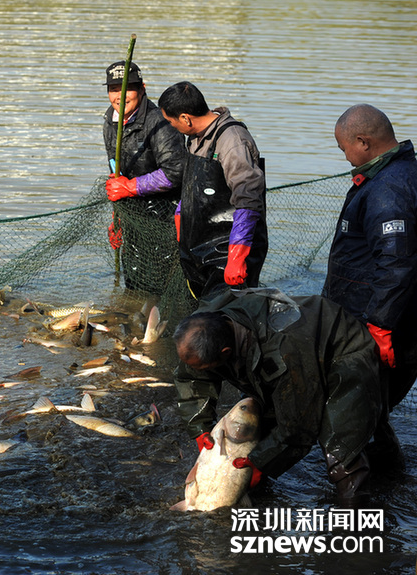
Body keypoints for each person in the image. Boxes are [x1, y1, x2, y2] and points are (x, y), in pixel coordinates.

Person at [172, 288, 383, 506]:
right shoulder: (199, 329)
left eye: (206, 367)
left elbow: (299, 426)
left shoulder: (286, 351)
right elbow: (190, 377)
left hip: (342, 355)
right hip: (288, 357)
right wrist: (200, 427)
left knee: (341, 449)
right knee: (260, 437)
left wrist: (260, 463)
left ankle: (356, 516)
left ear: (225, 353)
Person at [323, 103, 417, 467]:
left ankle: (357, 488)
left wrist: (379, 325)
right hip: (377, 316)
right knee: (372, 410)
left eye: (344, 147)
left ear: (363, 142)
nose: (345, 156)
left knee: (355, 413)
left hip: (382, 324)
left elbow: (396, 262)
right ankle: (388, 476)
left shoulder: (388, 189)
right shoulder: (396, 173)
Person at [158, 81, 268, 299]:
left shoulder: (232, 140)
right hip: (199, 247)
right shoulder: (194, 139)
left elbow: (248, 200)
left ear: (185, 118)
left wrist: (236, 257)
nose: (171, 127)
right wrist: (181, 216)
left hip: (229, 249)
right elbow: (194, 185)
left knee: (226, 313)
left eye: (171, 122)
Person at [101, 61, 187, 294]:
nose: (119, 96)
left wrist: (131, 187)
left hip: (165, 216)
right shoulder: (110, 121)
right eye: (113, 89)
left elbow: (175, 171)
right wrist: (117, 220)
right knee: (134, 283)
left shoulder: (160, 122)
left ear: (142, 89)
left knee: (163, 284)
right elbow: (115, 175)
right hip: (133, 216)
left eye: (126, 89)